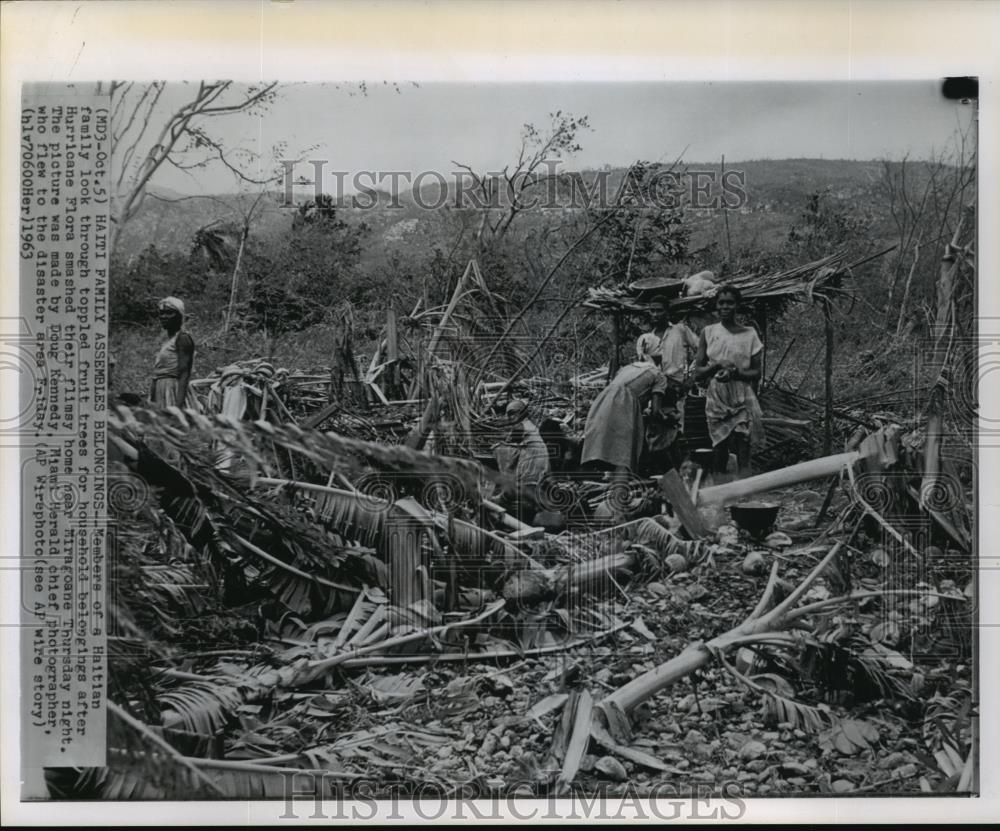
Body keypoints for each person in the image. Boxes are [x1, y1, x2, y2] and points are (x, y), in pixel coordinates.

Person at [693, 284, 764, 479]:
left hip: (742, 395)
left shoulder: (749, 334)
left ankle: (746, 497)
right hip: (717, 396)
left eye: (730, 303)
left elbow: (757, 372)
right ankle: (720, 497)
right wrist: (716, 366)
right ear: (716, 306)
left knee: (743, 445)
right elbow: (698, 373)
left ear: (737, 305)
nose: (725, 307)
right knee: (719, 447)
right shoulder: (708, 332)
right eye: (721, 303)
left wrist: (735, 373)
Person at [581, 353, 670, 477]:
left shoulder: (628, 368)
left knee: (604, 448)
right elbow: (656, 412)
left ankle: (609, 484)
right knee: (623, 454)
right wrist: (666, 418)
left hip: (603, 400)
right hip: (623, 404)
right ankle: (621, 486)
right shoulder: (659, 375)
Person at [493, 399, 551, 522]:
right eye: (509, 414)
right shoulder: (530, 426)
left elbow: (509, 441)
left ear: (521, 413)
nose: (511, 417)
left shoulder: (521, 426)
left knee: (500, 450)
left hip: (530, 477)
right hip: (540, 474)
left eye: (513, 413)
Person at [150, 296, 200, 411]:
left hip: (173, 390)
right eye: (161, 313)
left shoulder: (183, 338)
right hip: (162, 389)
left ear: (180, 316)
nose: (163, 317)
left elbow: (184, 374)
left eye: (169, 313)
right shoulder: (169, 340)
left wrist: (177, 408)